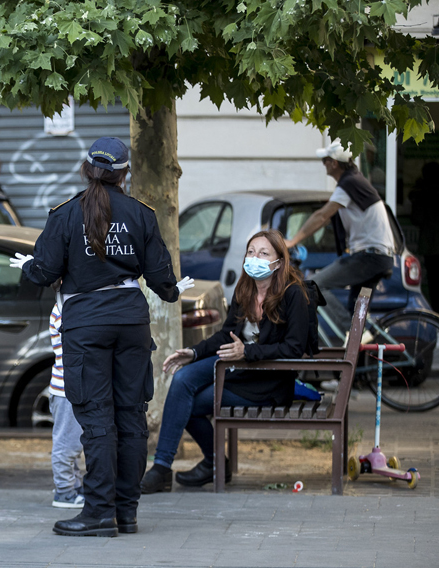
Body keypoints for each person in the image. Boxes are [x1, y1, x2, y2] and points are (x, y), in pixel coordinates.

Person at [11, 136, 194, 537]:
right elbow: (164, 281)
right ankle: (125, 513)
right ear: (125, 173)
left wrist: (28, 266)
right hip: (131, 321)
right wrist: (174, 290)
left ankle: (97, 514)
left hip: (85, 323)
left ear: (87, 168)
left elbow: (42, 273)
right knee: (130, 417)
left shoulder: (64, 215)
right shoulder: (141, 214)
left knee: (96, 420)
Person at [141, 230, 309, 492]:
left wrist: (248, 353)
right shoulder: (245, 289)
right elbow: (224, 334)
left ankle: (213, 462)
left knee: (190, 404)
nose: (255, 258)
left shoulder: (293, 294)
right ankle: (163, 467)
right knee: (182, 378)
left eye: (264, 253)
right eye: (251, 252)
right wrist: (194, 352)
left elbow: (294, 348)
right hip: (236, 367)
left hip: (266, 380)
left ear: (279, 261)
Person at [285, 139, 395, 337]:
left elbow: (321, 216)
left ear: (334, 163)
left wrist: (292, 242)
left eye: (325, 160)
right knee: (356, 312)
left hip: (369, 256)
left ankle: (354, 336)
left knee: (313, 285)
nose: (324, 164)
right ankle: (360, 355)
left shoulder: (348, 183)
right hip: (376, 255)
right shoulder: (354, 181)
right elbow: (329, 221)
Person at [47, 283, 85, 509]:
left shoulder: (68, 304)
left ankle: (74, 485)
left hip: (67, 388)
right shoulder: (64, 308)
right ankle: (63, 491)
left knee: (74, 443)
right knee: (67, 445)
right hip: (65, 390)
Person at [408, 162, 439, 309]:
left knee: (433, 280)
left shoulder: (421, 194)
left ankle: (434, 310)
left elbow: (416, 218)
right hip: (432, 242)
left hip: (430, 243)